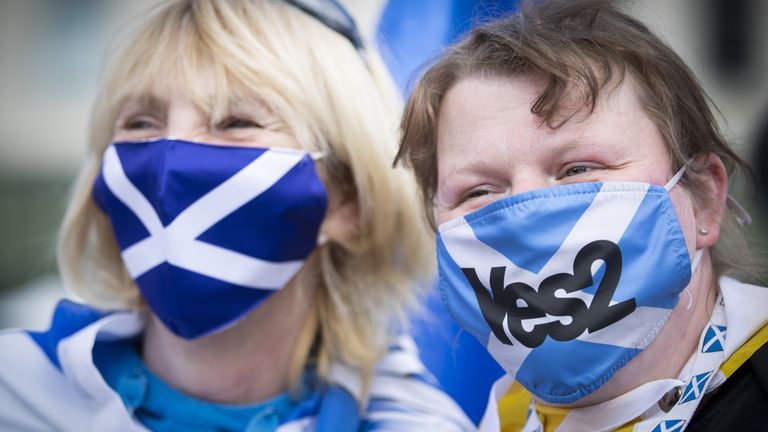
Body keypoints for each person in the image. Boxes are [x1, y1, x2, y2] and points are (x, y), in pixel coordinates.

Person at [0, 0, 474, 430]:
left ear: (348, 198)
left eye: (236, 123)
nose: (170, 162)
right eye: (141, 123)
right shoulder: (16, 394)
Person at [395, 0, 768, 430]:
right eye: (478, 191)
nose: (526, 217)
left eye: (578, 169)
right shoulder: (504, 417)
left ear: (704, 197)